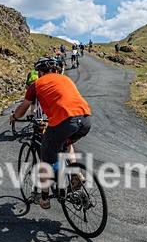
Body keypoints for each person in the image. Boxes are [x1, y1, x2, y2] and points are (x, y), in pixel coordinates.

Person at [10, 56, 92, 209]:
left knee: (45, 158)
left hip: (65, 121)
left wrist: (14, 116)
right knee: (67, 142)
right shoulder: (66, 79)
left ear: (40, 72)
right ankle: (75, 174)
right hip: (86, 119)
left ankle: (45, 197)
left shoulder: (36, 84)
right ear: (55, 70)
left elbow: (23, 108)